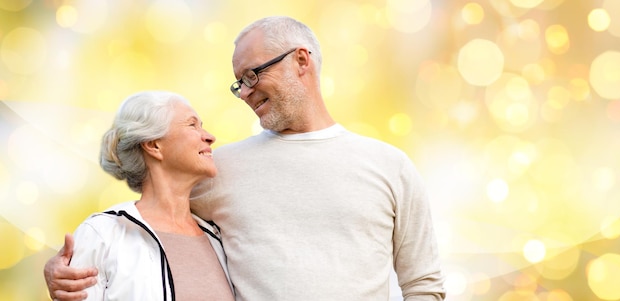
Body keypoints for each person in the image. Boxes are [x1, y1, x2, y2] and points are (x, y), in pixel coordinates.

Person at [44, 16, 446, 300]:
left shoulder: (390, 166)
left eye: (253, 75)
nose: (246, 92)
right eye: (239, 84)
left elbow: (424, 285)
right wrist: (61, 271)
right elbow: (151, 217)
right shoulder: (218, 170)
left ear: (301, 61)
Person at [44, 91, 235, 300]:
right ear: (153, 145)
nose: (209, 136)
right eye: (192, 125)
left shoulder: (218, 238)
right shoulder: (103, 235)